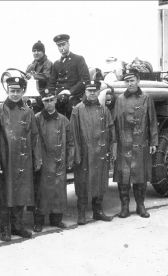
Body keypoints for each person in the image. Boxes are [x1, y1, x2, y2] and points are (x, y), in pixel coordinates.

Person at [0, 76, 42, 242]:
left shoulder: (28, 112)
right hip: (5, 160)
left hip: (23, 160)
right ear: (7, 91)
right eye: (12, 91)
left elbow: (34, 136)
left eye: (18, 91)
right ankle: (5, 230)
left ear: (23, 91)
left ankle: (17, 226)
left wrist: (37, 158)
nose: (15, 94)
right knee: (4, 195)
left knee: (21, 193)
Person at [113, 68, 158, 219]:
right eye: (127, 81)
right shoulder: (120, 100)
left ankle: (141, 205)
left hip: (141, 143)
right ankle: (124, 207)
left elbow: (152, 122)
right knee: (123, 177)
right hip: (124, 143)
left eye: (132, 80)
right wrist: (114, 143)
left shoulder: (146, 98)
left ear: (138, 81)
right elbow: (114, 122)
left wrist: (154, 141)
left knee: (141, 176)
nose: (130, 83)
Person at [70, 80, 116, 225]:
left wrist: (112, 150)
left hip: (100, 154)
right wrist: (76, 155)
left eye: (94, 91)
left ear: (98, 92)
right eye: (89, 91)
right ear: (85, 92)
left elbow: (111, 131)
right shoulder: (77, 110)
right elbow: (73, 135)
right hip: (85, 155)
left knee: (100, 183)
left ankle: (98, 211)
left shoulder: (104, 110)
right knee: (83, 184)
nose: (91, 93)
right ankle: (82, 213)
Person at [33, 89, 74, 232]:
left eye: (51, 100)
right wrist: (38, 160)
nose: (49, 103)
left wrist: (69, 158)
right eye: (46, 101)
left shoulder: (63, 120)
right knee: (42, 192)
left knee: (59, 190)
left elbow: (70, 141)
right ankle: (39, 221)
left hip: (59, 161)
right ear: (42, 102)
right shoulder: (37, 118)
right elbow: (34, 141)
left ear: (56, 100)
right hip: (44, 161)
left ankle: (56, 220)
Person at [48, 34, 90, 118]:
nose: (61, 47)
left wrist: (70, 91)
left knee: (71, 110)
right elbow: (51, 83)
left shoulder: (78, 59)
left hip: (75, 95)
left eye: (63, 44)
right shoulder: (56, 63)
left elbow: (85, 79)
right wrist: (53, 95)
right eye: (59, 46)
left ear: (68, 44)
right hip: (60, 96)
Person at [25, 40, 53, 113]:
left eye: (38, 51)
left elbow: (46, 76)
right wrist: (25, 77)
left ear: (43, 52)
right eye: (34, 51)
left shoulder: (48, 63)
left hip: (45, 95)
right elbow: (26, 75)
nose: (36, 53)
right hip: (32, 95)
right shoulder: (31, 65)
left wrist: (33, 76)